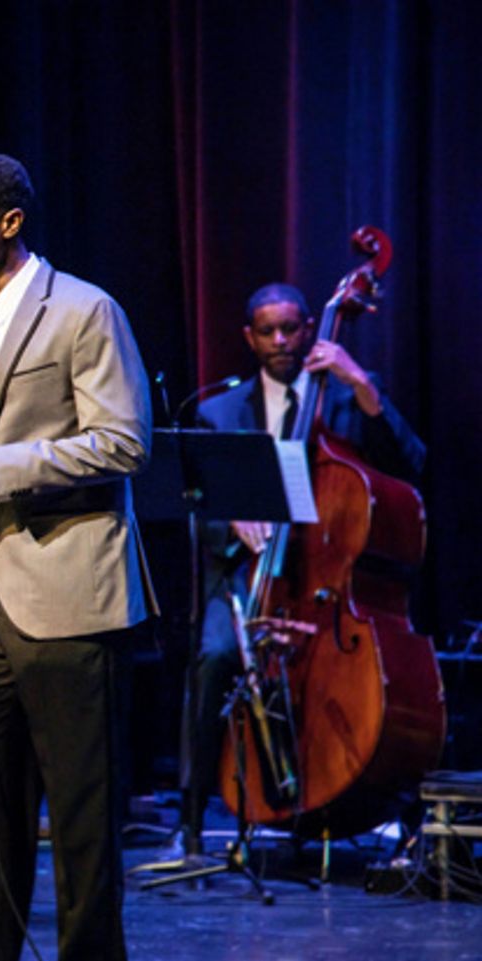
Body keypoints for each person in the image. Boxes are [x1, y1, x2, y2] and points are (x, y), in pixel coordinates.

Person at [0, 154, 156, 961]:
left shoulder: (84, 311)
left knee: (82, 814)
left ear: (9, 223)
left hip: (66, 590)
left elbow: (125, 441)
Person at [173, 282, 426, 852]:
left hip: (328, 576)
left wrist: (360, 383)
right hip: (248, 577)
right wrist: (232, 520)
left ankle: (394, 806)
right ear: (250, 337)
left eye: (292, 328)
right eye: (269, 331)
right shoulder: (219, 411)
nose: (282, 341)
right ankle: (188, 824)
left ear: (311, 327)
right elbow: (199, 508)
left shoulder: (345, 395)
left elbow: (409, 464)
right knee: (213, 655)